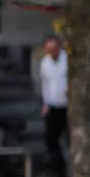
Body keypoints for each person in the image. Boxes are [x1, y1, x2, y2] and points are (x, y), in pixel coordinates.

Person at [38, 35, 69, 169]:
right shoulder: (44, 63)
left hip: (67, 105)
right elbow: (45, 83)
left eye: (54, 49)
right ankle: (57, 166)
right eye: (49, 49)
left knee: (70, 138)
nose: (52, 52)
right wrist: (45, 103)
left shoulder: (67, 60)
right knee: (51, 139)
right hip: (52, 105)